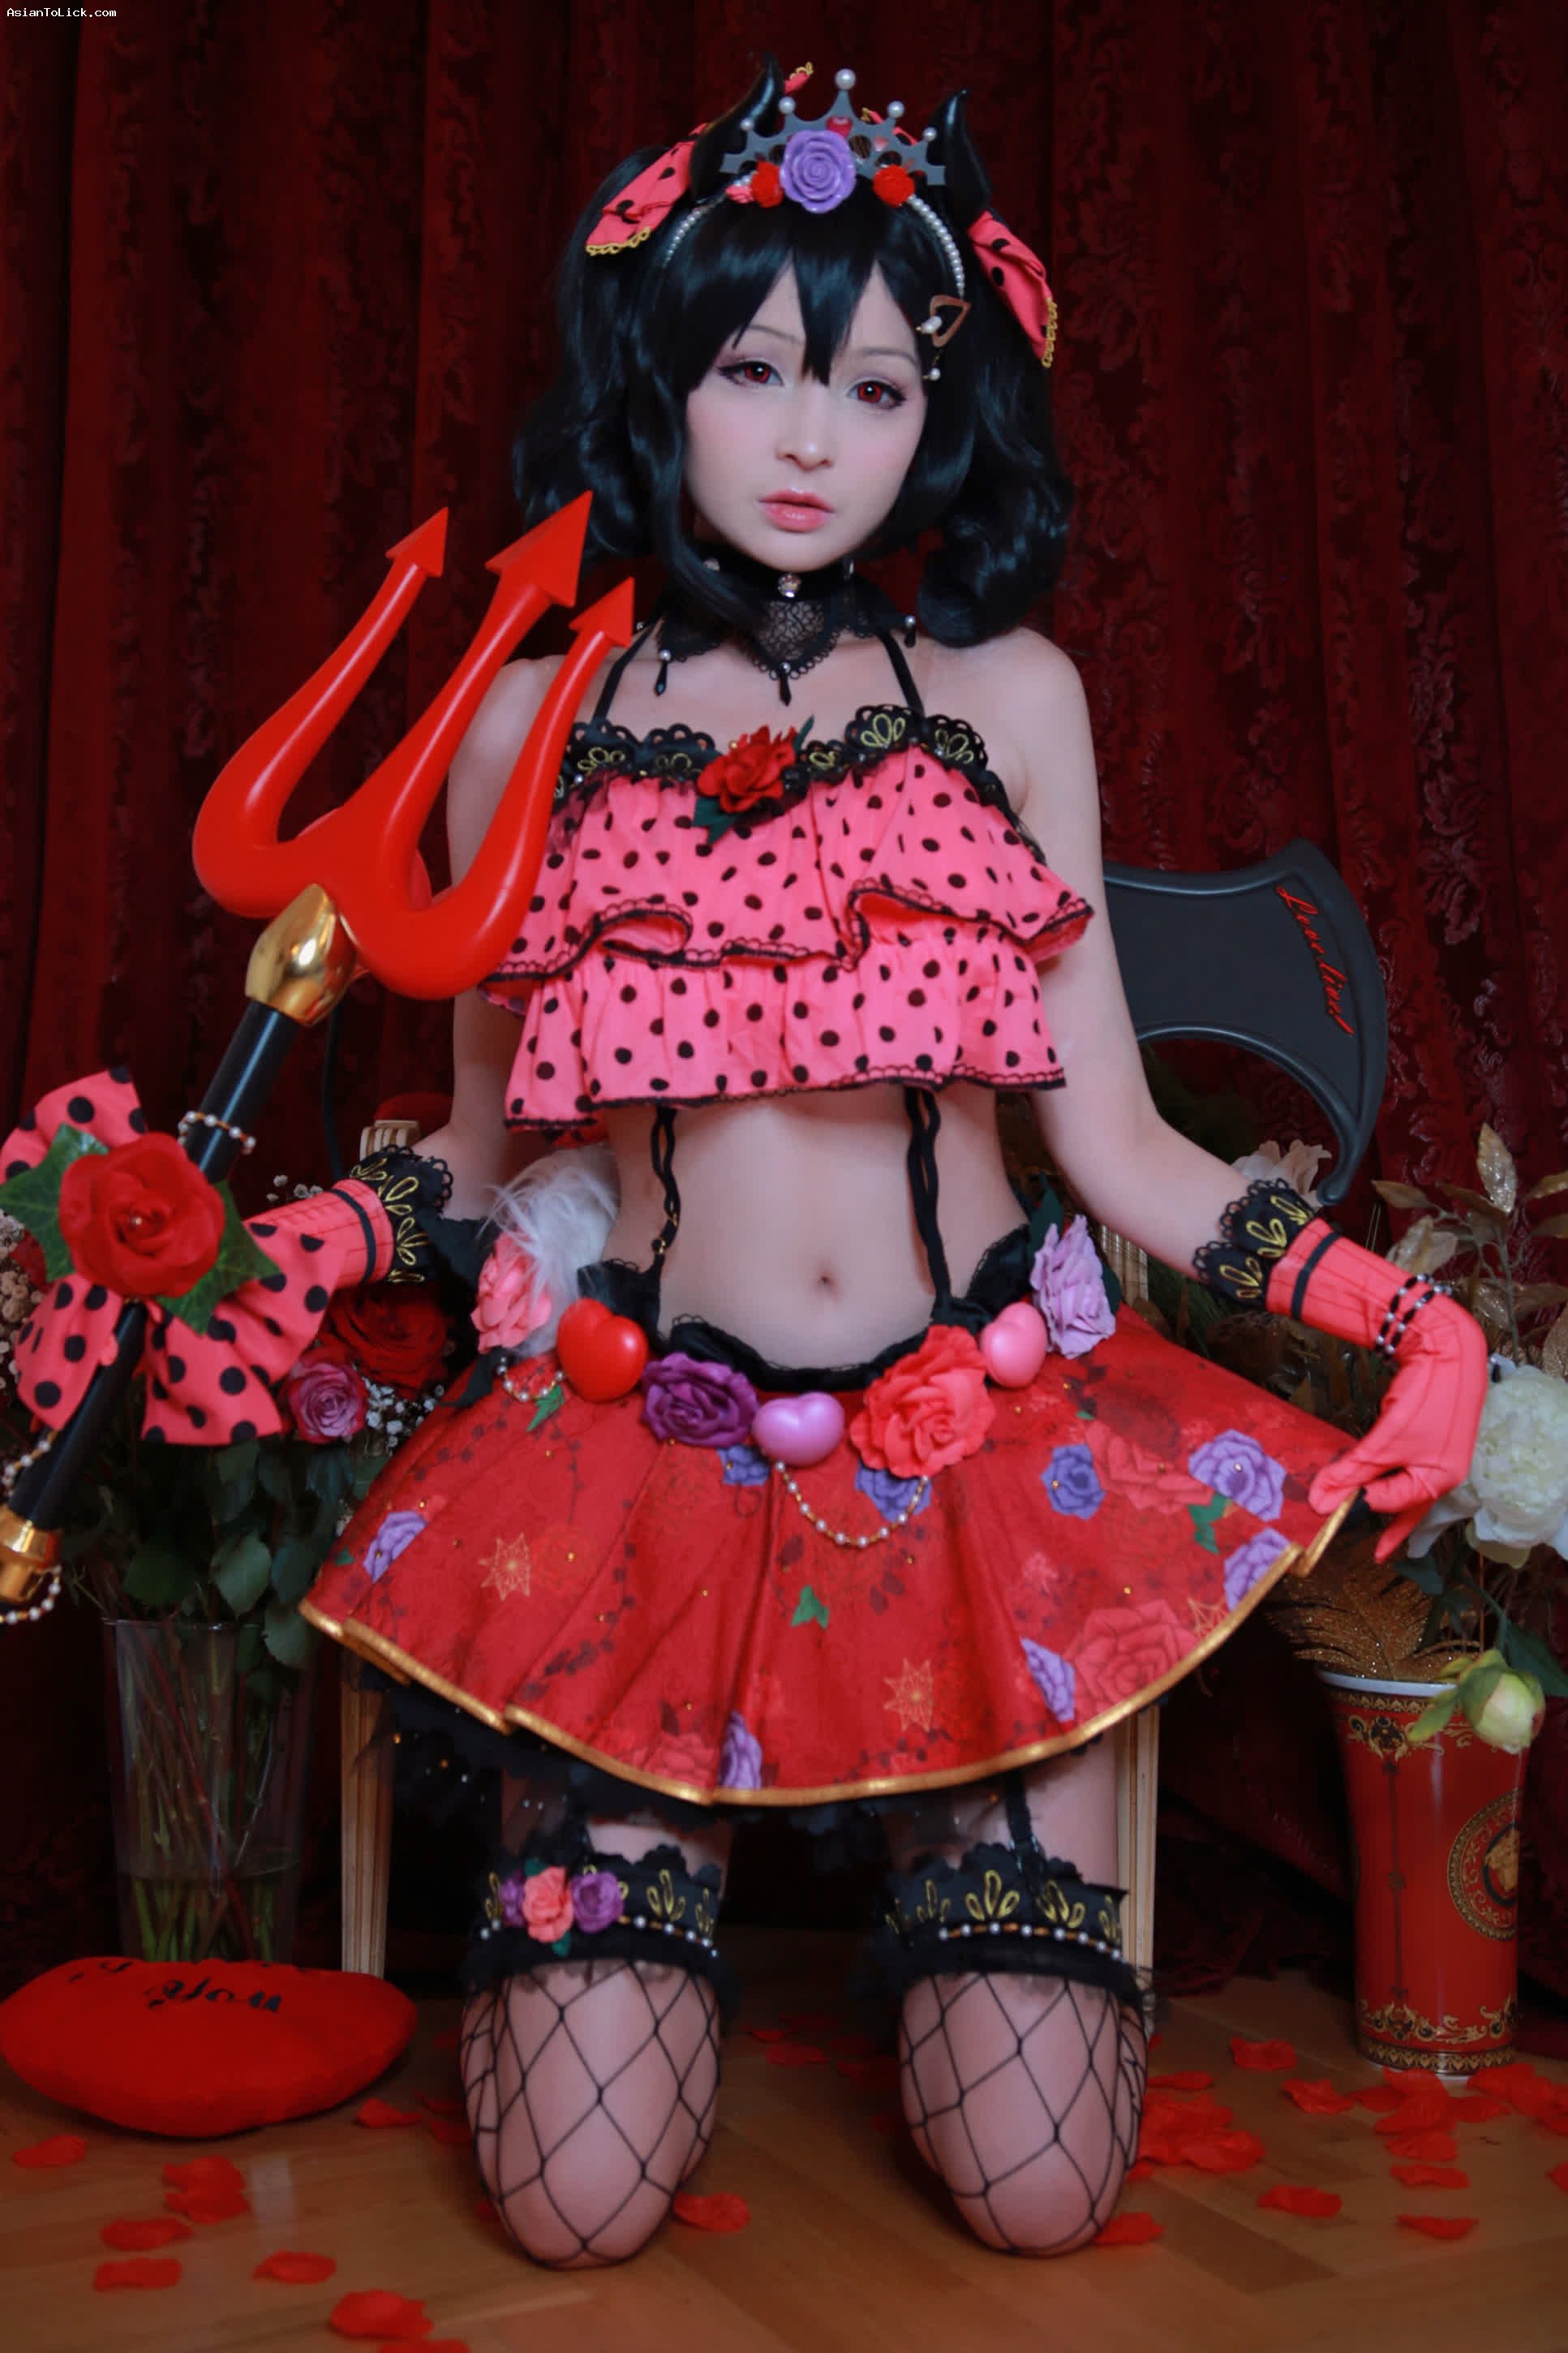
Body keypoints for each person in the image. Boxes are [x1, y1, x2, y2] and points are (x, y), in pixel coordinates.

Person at [285, 61, 1487, 2268]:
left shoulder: (1014, 699)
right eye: (752, 369)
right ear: (661, 379)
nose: (810, 439)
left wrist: (1410, 1320)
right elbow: (474, 1151)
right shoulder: (521, 723)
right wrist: (282, 1251)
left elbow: (1118, 1144)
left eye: (870, 384)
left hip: (981, 1466)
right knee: (567, 2204)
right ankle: (666, 1927)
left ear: (937, 416)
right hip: (638, 1458)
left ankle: (933, 1903)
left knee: (1039, 2194)